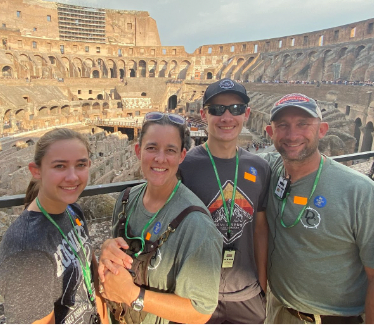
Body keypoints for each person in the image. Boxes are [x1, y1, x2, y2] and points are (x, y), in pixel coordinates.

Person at [98, 112, 223, 324]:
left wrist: (133, 296)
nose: (160, 158)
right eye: (152, 148)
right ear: (138, 151)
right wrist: (107, 250)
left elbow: (200, 312)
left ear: (182, 156)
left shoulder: (197, 225)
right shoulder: (126, 199)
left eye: (170, 150)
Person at [261, 93, 374, 324]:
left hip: (334, 319)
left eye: (303, 124)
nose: (292, 135)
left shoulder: (360, 192)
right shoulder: (267, 171)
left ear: (322, 130)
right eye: (283, 125)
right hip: (277, 312)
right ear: (270, 133)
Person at [179, 78, 271, 323]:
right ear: (204, 115)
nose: (227, 117)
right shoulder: (184, 166)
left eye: (236, 109)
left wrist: (262, 285)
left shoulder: (260, 167)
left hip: (247, 294)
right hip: (194, 294)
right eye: (217, 109)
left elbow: (260, 229)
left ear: (247, 114)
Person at [0, 128, 108, 324]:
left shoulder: (73, 210)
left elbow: (91, 273)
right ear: (36, 171)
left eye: (81, 164)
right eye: (60, 166)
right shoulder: (26, 251)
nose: (72, 177)